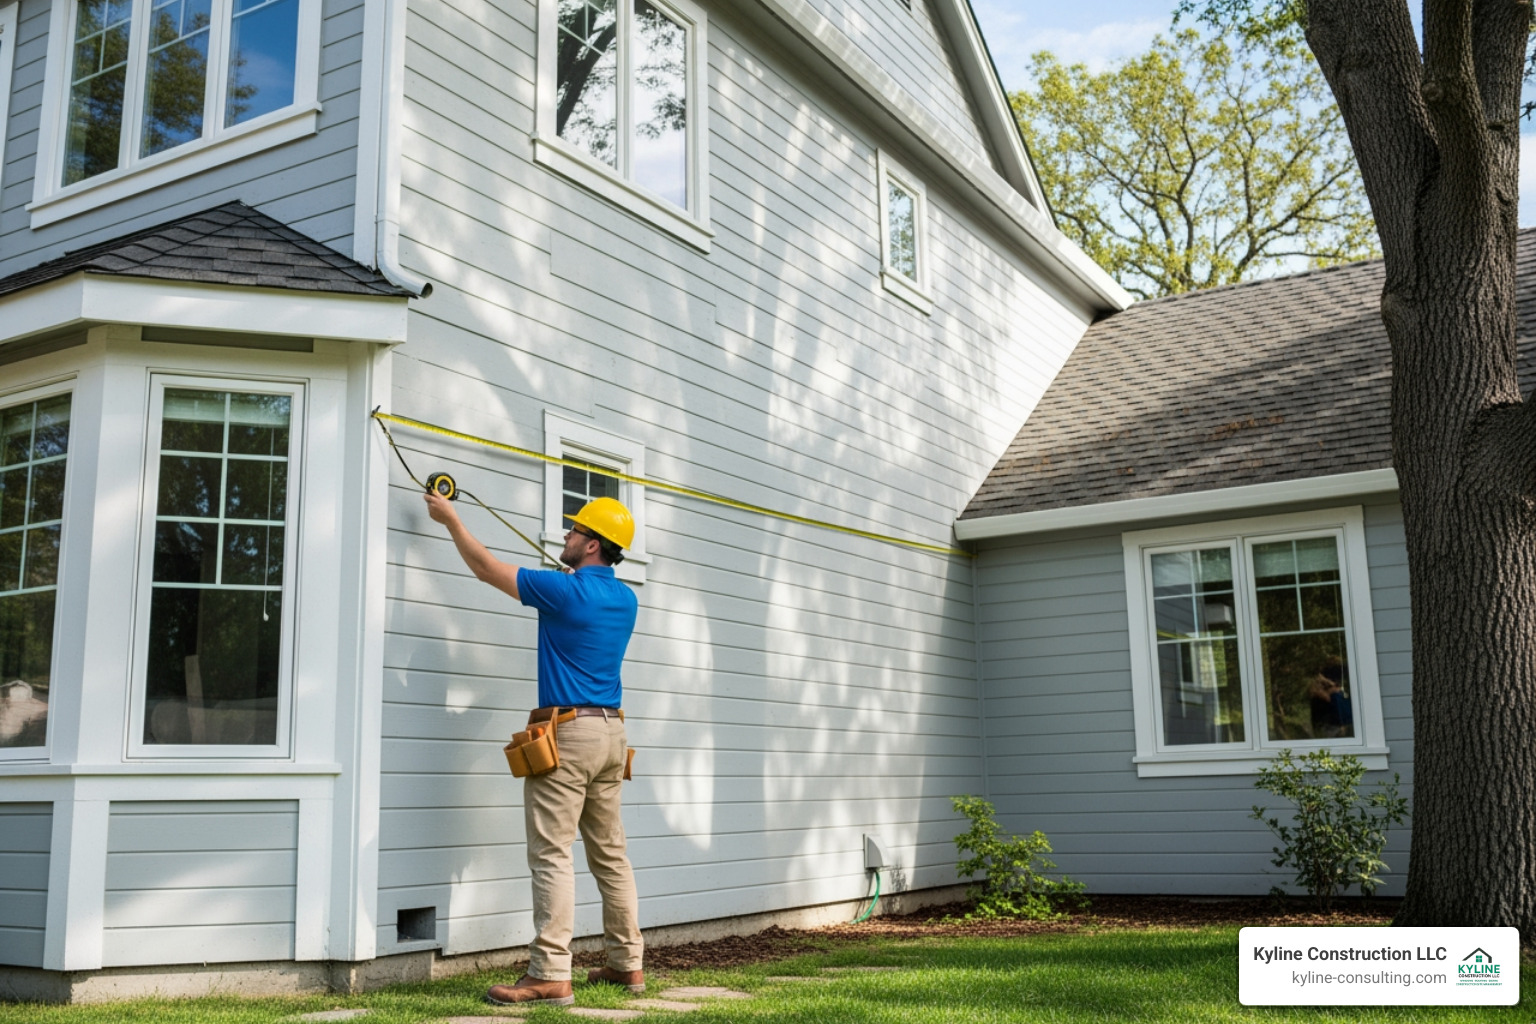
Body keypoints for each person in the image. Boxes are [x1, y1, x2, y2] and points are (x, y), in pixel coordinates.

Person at [424, 488, 644, 1006]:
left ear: (592, 545)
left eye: (574, 531)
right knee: (611, 856)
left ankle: (549, 972)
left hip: (569, 733)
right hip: (613, 733)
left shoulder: (563, 592)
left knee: (551, 853)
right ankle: (626, 965)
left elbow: (485, 567)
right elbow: (576, 589)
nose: (566, 536)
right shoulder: (625, 597)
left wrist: (450, 518)